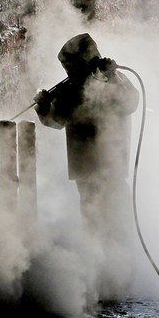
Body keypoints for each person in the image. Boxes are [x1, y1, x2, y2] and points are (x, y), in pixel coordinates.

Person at [34, 34, 139, 235]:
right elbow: (54, 121)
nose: (68, 72)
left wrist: (112, 77)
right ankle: (97, 259)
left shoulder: (114, 79)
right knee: (93, 221)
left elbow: (131, 102)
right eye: (66, 68)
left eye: (71, 66)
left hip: (111, 166)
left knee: (117, 220)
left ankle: (121, 260)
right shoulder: (70, 90)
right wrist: (44, 105)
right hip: (84, 168)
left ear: (85, 61)